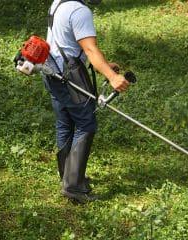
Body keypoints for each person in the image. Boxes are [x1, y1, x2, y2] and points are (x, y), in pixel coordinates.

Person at [42, 0, 129, 203]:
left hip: (51, 71)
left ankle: (68, 175)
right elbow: (90, 49)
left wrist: (106, 65)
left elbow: (67, 42)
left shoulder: (58, 3)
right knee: (86, 124)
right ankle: (74, 187)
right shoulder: (80, 10)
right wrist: (112, 76)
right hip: (68, 75)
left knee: (65, 123)